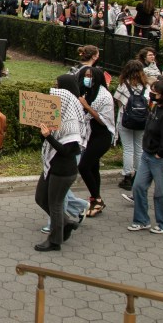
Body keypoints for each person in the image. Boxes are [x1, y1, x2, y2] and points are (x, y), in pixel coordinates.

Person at [34, 75, 86, 251]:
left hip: (63, 170)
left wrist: (49, 137)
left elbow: (68, 150)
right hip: (52, 165)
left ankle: (55, 240)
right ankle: (66, 223)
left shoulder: (71, 123)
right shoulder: (60, 116)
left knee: (55, 203)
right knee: (41, 197)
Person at [128, 79, 163, 234]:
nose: (151, 94)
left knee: (162, 192)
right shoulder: (155, 108)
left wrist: (161, 154)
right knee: (138, 187)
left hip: (160, 159)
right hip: (147, 155)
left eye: (155, 92)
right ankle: (141, 220)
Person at [76, 66, 115, 217]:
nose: (87, 78)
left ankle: (97, 199)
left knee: (84, 166)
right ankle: (95, 200)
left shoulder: (104, 97)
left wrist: (87, 106)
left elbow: (104, 120)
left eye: (89, 76)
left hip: (102, 135)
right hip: (89, 135)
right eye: (85, 75)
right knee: (93, 167)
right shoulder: (87, 91)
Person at [114, 60, 149, 191]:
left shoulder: (124, 85)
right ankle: (138, 176)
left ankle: (127, 176)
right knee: (139, 148)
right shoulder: (146, 87)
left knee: (128, 148)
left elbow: (118, 102)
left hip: (126, 119)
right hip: (142, 120)